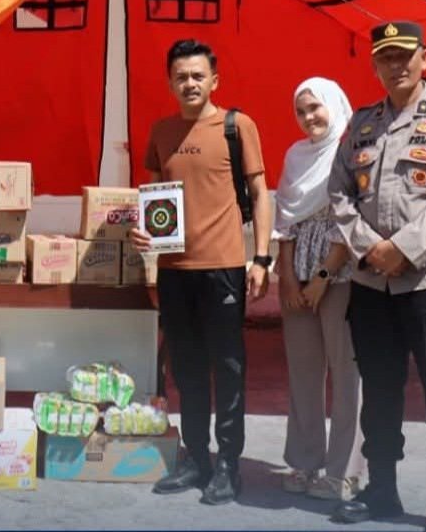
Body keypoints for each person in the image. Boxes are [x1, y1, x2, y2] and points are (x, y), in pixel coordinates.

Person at [327, 21, 426, 532]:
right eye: (385, 58)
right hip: (373, 283)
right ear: (375, 64)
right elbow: (339, 191)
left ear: (425, 59)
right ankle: (382, 490)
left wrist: (405, 249)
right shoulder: (362, 124)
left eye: (404, 56)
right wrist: (372, 248)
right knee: (380, 389)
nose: (395, 66)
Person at [130, 38, 272, 505]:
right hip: (174, 270)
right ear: (169, 82)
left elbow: (260, 193)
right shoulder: (161, 131)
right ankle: (196, 458)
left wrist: (261, 258)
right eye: (180, 76)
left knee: (227, 367)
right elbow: (156, 195)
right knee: (186, 368)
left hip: (223, 268)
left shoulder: (237, 126)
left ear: (214, 80)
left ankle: (228, 463)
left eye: (197, 75)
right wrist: (144, 233)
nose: (189, 83)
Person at [273, 78, 363, 502]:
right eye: (301, 110)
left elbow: (354, 220)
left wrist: (322, 278)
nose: (309, 117)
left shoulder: (351, 151)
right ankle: (304, 461)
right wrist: (290, 279)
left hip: (340, 275)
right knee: (304, 372)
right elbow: (285, 219)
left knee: (347, 375)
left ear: (334, 104)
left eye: (315, 107)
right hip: (298, 277)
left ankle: (344, 472)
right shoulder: (295, 155)